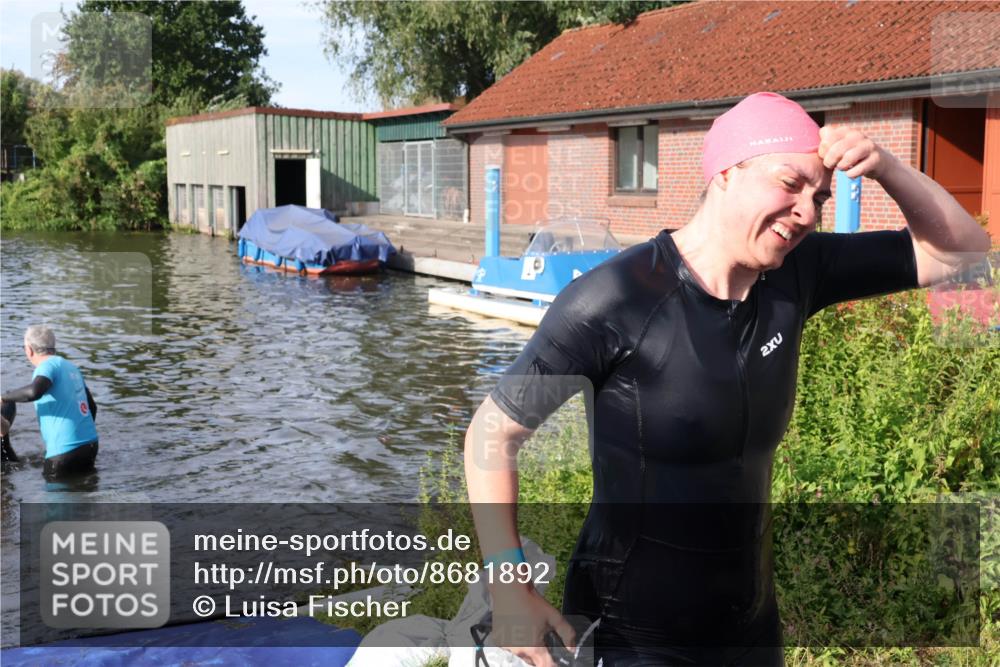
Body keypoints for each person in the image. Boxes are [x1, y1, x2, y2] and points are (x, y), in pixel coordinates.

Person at [463, 92, 991, 667]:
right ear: (725, 173)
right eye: (791, 183)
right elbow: (493, 434)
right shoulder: (616, 299)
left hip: (748, 626)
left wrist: (886, 165)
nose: (808, 212)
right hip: (632, 633)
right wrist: (509, 585)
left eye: (819, 196)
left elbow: (964, 252)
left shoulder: (798, 273)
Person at [1, 325, 99, 479]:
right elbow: (92, 407)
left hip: (64, 452)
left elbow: (34, 392)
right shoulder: (71, 367)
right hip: (90, 446)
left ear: (29, 350)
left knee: (55, 501)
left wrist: (4, 398)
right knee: (82, 495)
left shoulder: (46, 366)